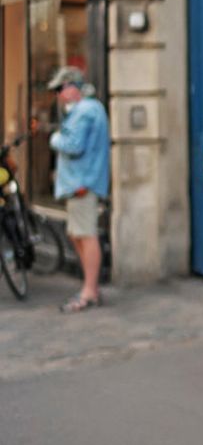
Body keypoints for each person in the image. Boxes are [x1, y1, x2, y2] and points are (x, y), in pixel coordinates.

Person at [47, 66, 110, 313]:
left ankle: (89, 291)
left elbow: (73, 145)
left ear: (73, 87)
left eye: (60, 89)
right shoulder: (87, 110)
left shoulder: (85, 111)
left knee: (85, 234)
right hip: (79, 183)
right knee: (77, 234)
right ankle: (90, 287)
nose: (58, 95)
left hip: (82, 183)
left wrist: (53, 138)